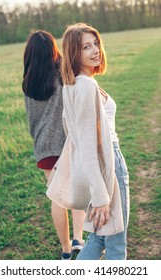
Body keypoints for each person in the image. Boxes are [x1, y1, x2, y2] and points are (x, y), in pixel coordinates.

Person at [47, 23, 130, 260]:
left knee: (100, 237)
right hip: (108, 163)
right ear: (74, 52)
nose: (95, 50)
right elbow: (86, 145)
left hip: (102, 165)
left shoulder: (74, 84)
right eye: (86, 47)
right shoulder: (85, 86)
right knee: (116, 243)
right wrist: (102, 196)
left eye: (95, 43)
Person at [22, 30, 86, 260]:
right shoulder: (62, 74)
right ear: (53, 50)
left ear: (29, 55)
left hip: (44, 148)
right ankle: (79, 239)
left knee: (57, 198)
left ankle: (66, 250)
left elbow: (32, 120)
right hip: (68, 143)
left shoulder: (28, 83)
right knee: (77, 192)